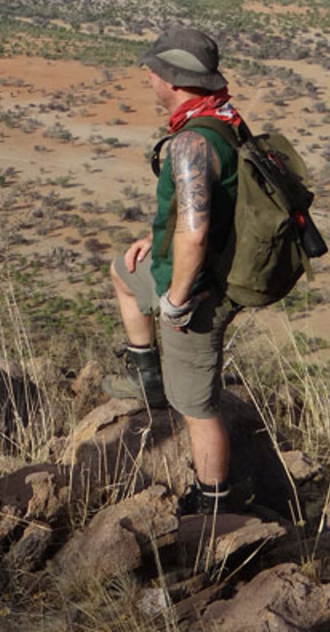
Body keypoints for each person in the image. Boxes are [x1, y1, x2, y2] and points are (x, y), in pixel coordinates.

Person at [103, 28, 241, 515]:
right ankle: (148, 379)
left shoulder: (189, 144)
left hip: (198, 292)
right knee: (123, 273)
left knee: (199, 411)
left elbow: (197, 233)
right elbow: (197, 214)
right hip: (183, 265)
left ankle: (214, 514)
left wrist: (177, 300)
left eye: (155, 71)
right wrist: (157, 238)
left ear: (175, 80)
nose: (148, 77)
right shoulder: (223, 119)